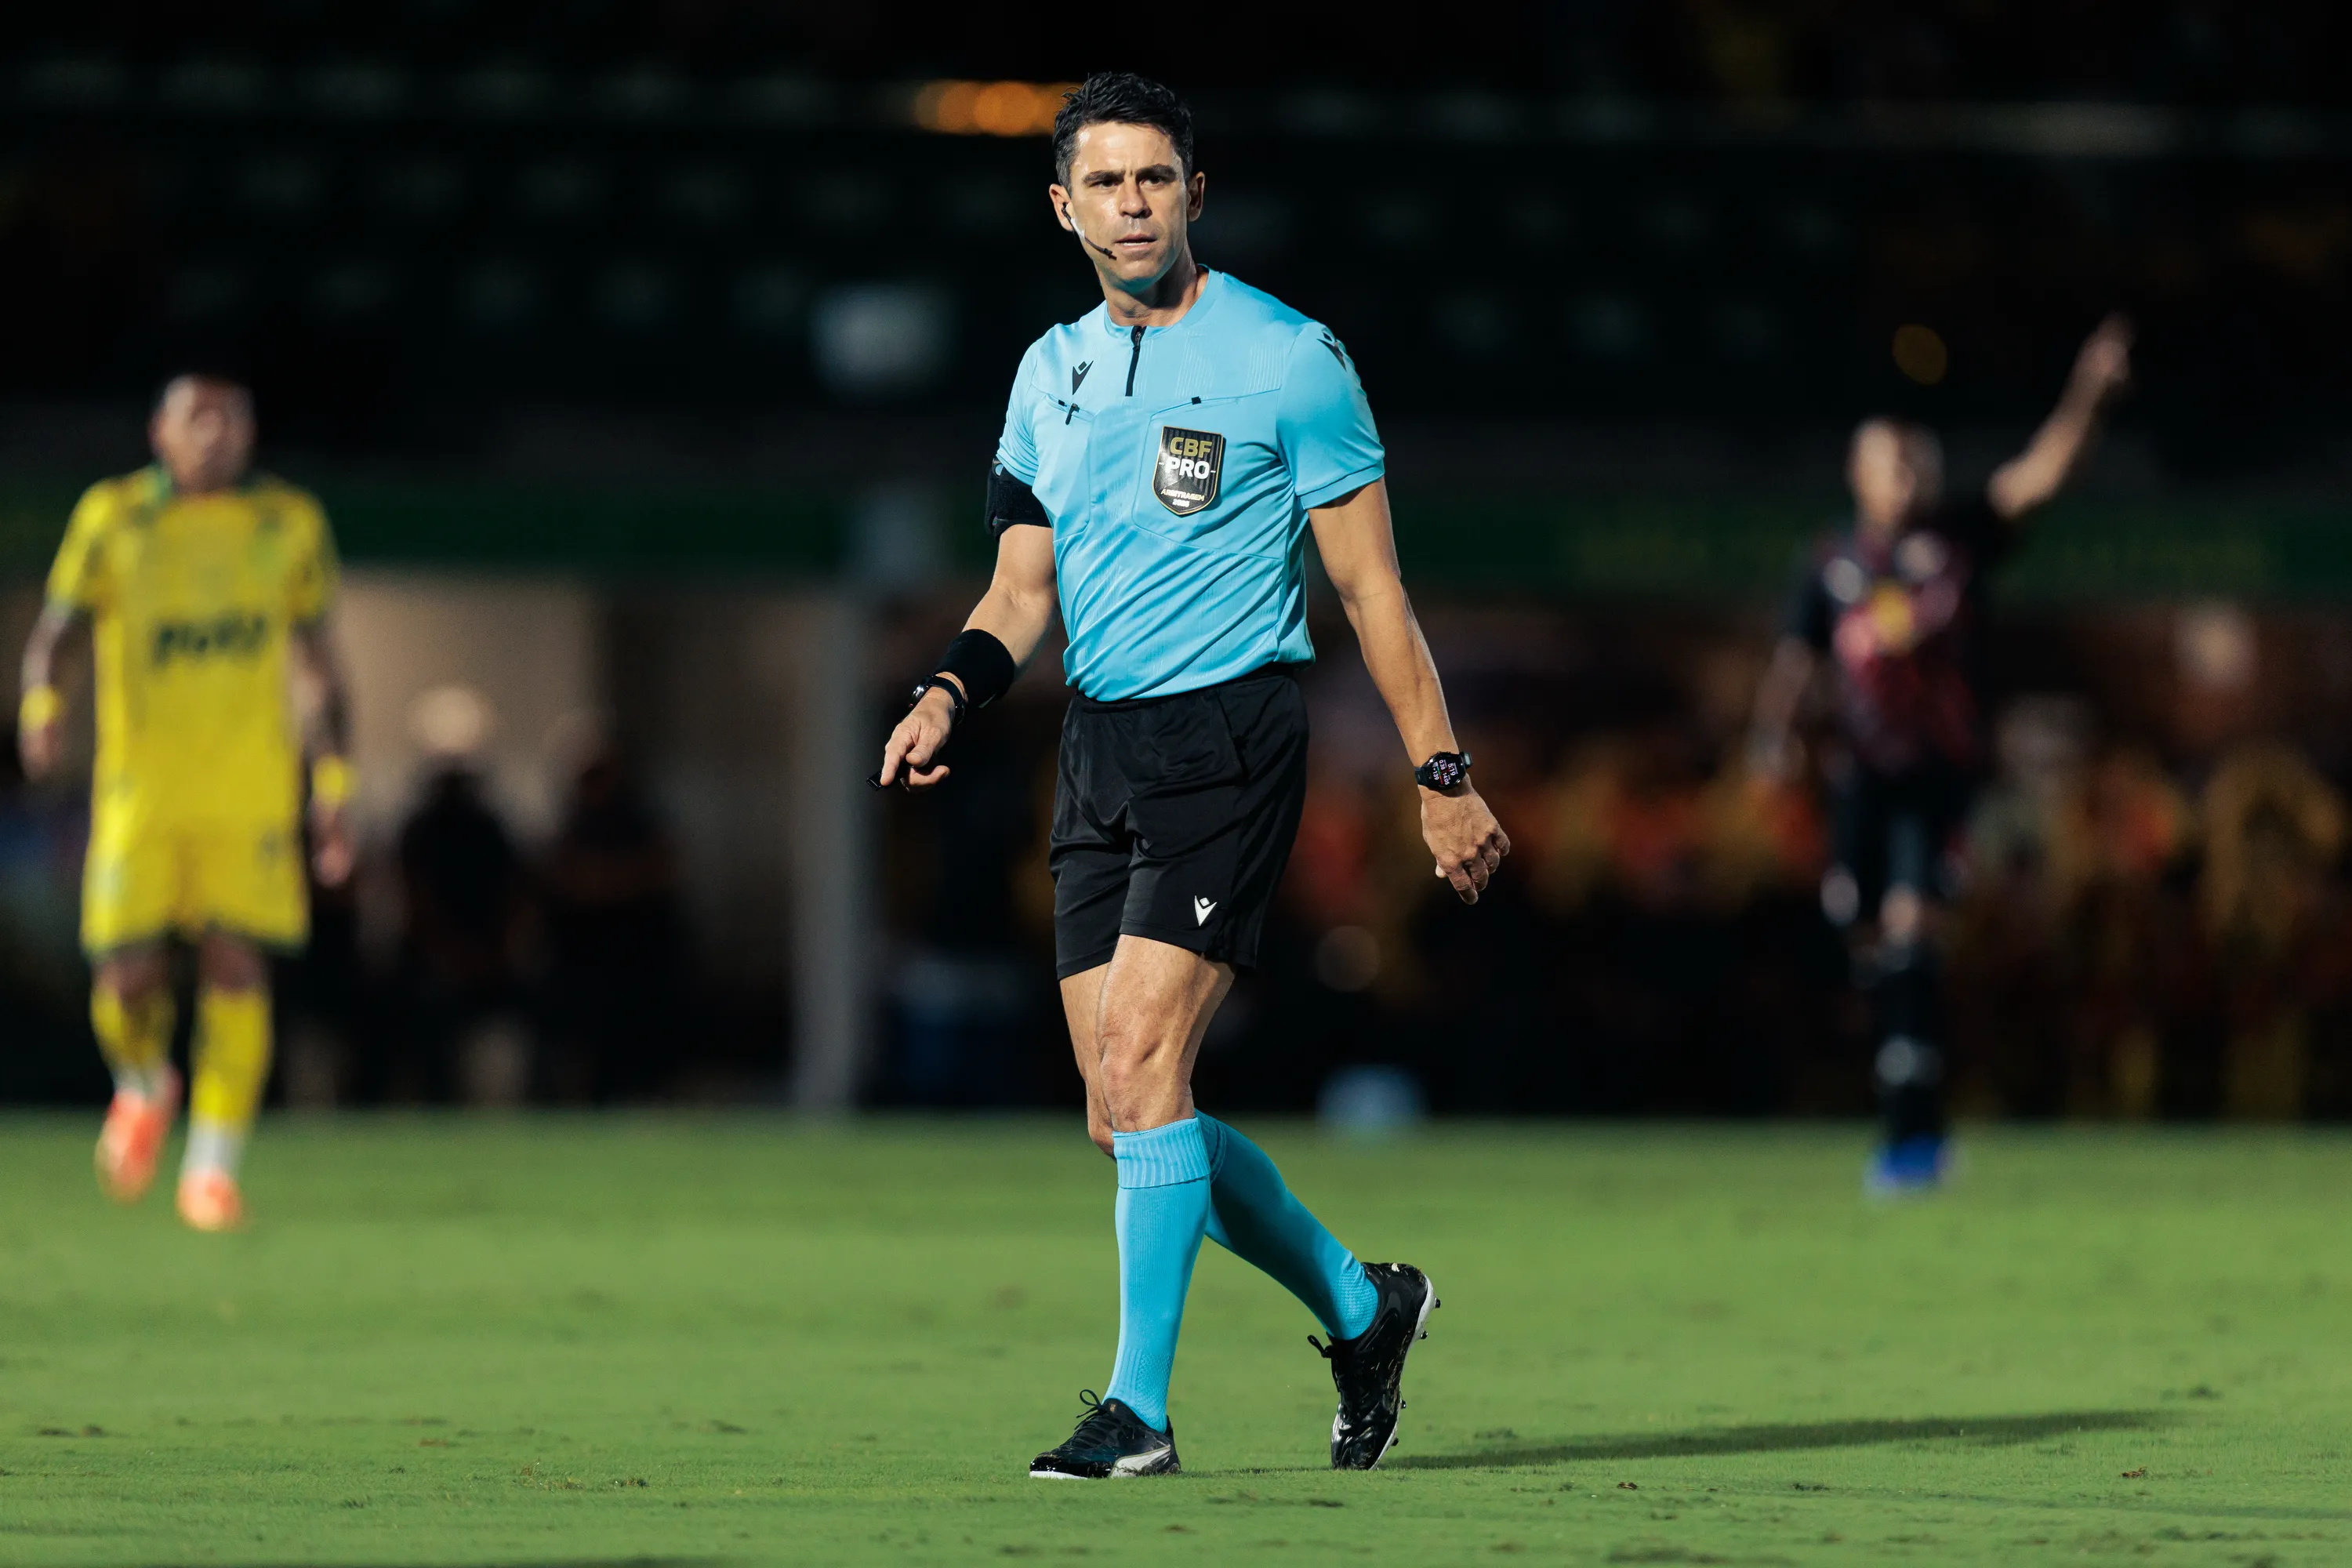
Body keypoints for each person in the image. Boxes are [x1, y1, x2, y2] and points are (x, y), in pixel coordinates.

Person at [874, 73, 1509, 1479]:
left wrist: (1440, 772)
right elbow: (1018, 590)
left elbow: (1374, 592)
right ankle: (1363, 1305)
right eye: (1105, 183)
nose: (1132, 202)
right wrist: (945, 690)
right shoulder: (1048, 372)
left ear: (1195, 194)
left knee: (1149, 1061)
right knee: (1122, 1114)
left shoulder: (1293, 359)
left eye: (1155, 178)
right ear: (1064, 208)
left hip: (1231, 737)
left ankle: (1139, 1414)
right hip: (1098, 747)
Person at [1749, 317, 2133, 1195]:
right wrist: (1770, 737)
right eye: (1894, 462)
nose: (1911, 475)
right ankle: (1900, 1086)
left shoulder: (1960, 539)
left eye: (1920, 461)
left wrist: (2089, 395)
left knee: (1915, 940)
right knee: (1869, 938)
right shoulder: (1831, 562)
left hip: (1936, 778)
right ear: (1859, 475)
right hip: (1858, 782)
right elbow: (1796, 662)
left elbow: (2041, 476)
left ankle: (1912, 1140)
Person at [17, 372, 353, 1230]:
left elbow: (318, 668)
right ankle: (141, 1085)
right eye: (196, 420)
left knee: (238, 964)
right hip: (143, 791)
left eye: (231, 420)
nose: (215, 435)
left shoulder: (290, 523)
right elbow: (59, 629)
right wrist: (43, 705)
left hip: (247, 792)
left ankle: (211, 1167)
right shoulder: (114, 516)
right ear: (159, 433)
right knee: (125, 977)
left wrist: (333, 785)